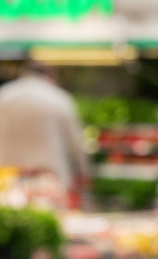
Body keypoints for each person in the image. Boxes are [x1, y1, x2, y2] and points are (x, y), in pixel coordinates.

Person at [0, 60, 91, 206]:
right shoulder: (59, 98)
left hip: (7, 175)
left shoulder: (4, 96)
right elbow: (76, 143)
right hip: (50, 178)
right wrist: (84, 173)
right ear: (50, 75)